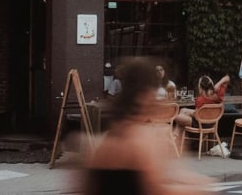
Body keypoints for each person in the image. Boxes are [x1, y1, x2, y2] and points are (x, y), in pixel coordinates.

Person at [80, 57, 212, 195]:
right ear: (146, 93)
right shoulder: (142, 139)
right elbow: (158, 190)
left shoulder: (105, 141)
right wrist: (201, 187)